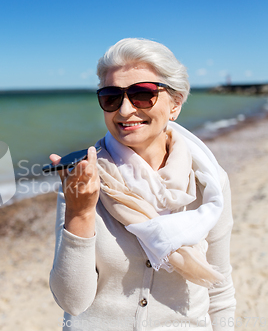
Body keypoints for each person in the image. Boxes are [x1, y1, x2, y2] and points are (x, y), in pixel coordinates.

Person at [49, 38, 236, 331]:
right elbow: (72, 301)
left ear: (175, 104)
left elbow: (220, 287)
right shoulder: (82, 178)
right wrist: (80, 213)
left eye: (142, 95)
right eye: (111, 97)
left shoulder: (209, 182)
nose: (124, 111)